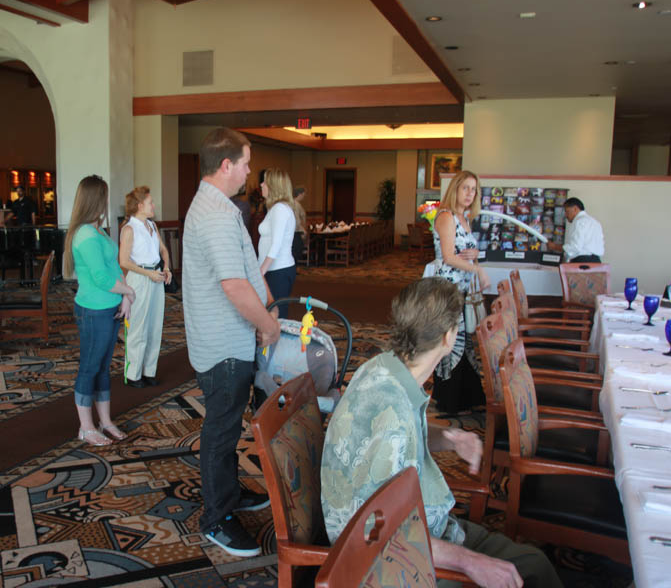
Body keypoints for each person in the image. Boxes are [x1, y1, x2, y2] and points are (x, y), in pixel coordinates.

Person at [321, 277, 562, 588]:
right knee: (531, 573)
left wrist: (450, 437)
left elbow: (402, 433)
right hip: (389, 562)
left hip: (413, 529)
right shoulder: (393, 412)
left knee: (534, 564)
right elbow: (381, 534)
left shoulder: (383, 369)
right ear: (449, 337)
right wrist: (468, 560)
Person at [182, 127, 280, 558]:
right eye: (245, 162)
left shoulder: (216, 205)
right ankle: (215, 519)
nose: (248, 170)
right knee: (221, 434)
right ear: (226, 165)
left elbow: (245, 271)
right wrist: (268, 324)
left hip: (227, 341)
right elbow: (235, 286)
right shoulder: (217, 214)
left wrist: (267, 305)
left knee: (227, 426)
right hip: (223, 348)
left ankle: (229, 495)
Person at [63, 175, 135, 446]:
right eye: (104, 197)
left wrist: (125, 297)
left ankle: (104, 422)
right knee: (90, 367)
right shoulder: (85, 235)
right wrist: (128, 292)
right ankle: (86, 426)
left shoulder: (98, 230)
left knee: (103, 368)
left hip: (109, 308)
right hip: (93, 310)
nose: (107, 202)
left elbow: (114, 269)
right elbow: (101, 279)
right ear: (96, 200)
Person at [432, 170, 489, 415]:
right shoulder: (446, 216)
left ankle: (466, 396)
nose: (469, 193)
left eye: (473, 189)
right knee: (450, 342)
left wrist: (474, 256)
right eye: (465, 188)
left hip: (461, 288)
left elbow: (463, 250)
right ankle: (449, 399)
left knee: (462, 341)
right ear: (455, 189)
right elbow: (447, 257)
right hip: (447, 290)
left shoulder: (464, 218)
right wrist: (477, 270)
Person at [118, 186, 172, 389]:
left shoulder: (152, 225)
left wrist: (166, 267)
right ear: (140, 205)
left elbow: (163, 250)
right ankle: (133, 374)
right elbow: (124, 261)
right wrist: (148, 273)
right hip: (139, 278)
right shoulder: (129, 229)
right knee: (138, 327)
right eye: (151, 202)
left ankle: (149, 371)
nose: (154, 206)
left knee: (154, 327)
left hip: (155, 277)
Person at [257, 168, 297, 318]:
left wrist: (260, 272)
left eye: (265, 182)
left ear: (274, 186)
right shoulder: (278, 208)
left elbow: (276, 245)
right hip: (276, 270)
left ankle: (277, 342)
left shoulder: (280, 209)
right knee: (272, 314)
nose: (261, 185)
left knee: (276, 315)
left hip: (277, 271)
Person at [546, 197, 604, 263]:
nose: (565, 215)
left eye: (566, 211)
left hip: (583, 262)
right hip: (597, 263)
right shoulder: (595, 222)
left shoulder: (579, 221)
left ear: (575, 209)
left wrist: (554, 246)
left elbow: (574, 247)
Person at [291, 185, 307, 264]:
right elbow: (296, 219)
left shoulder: (295, 203)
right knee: (297, 250)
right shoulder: (295, 204)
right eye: (303, 195)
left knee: (296, 250)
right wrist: (302, 230)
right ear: (300, 194)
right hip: (296, 231)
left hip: (296, 231)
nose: (304, 197)